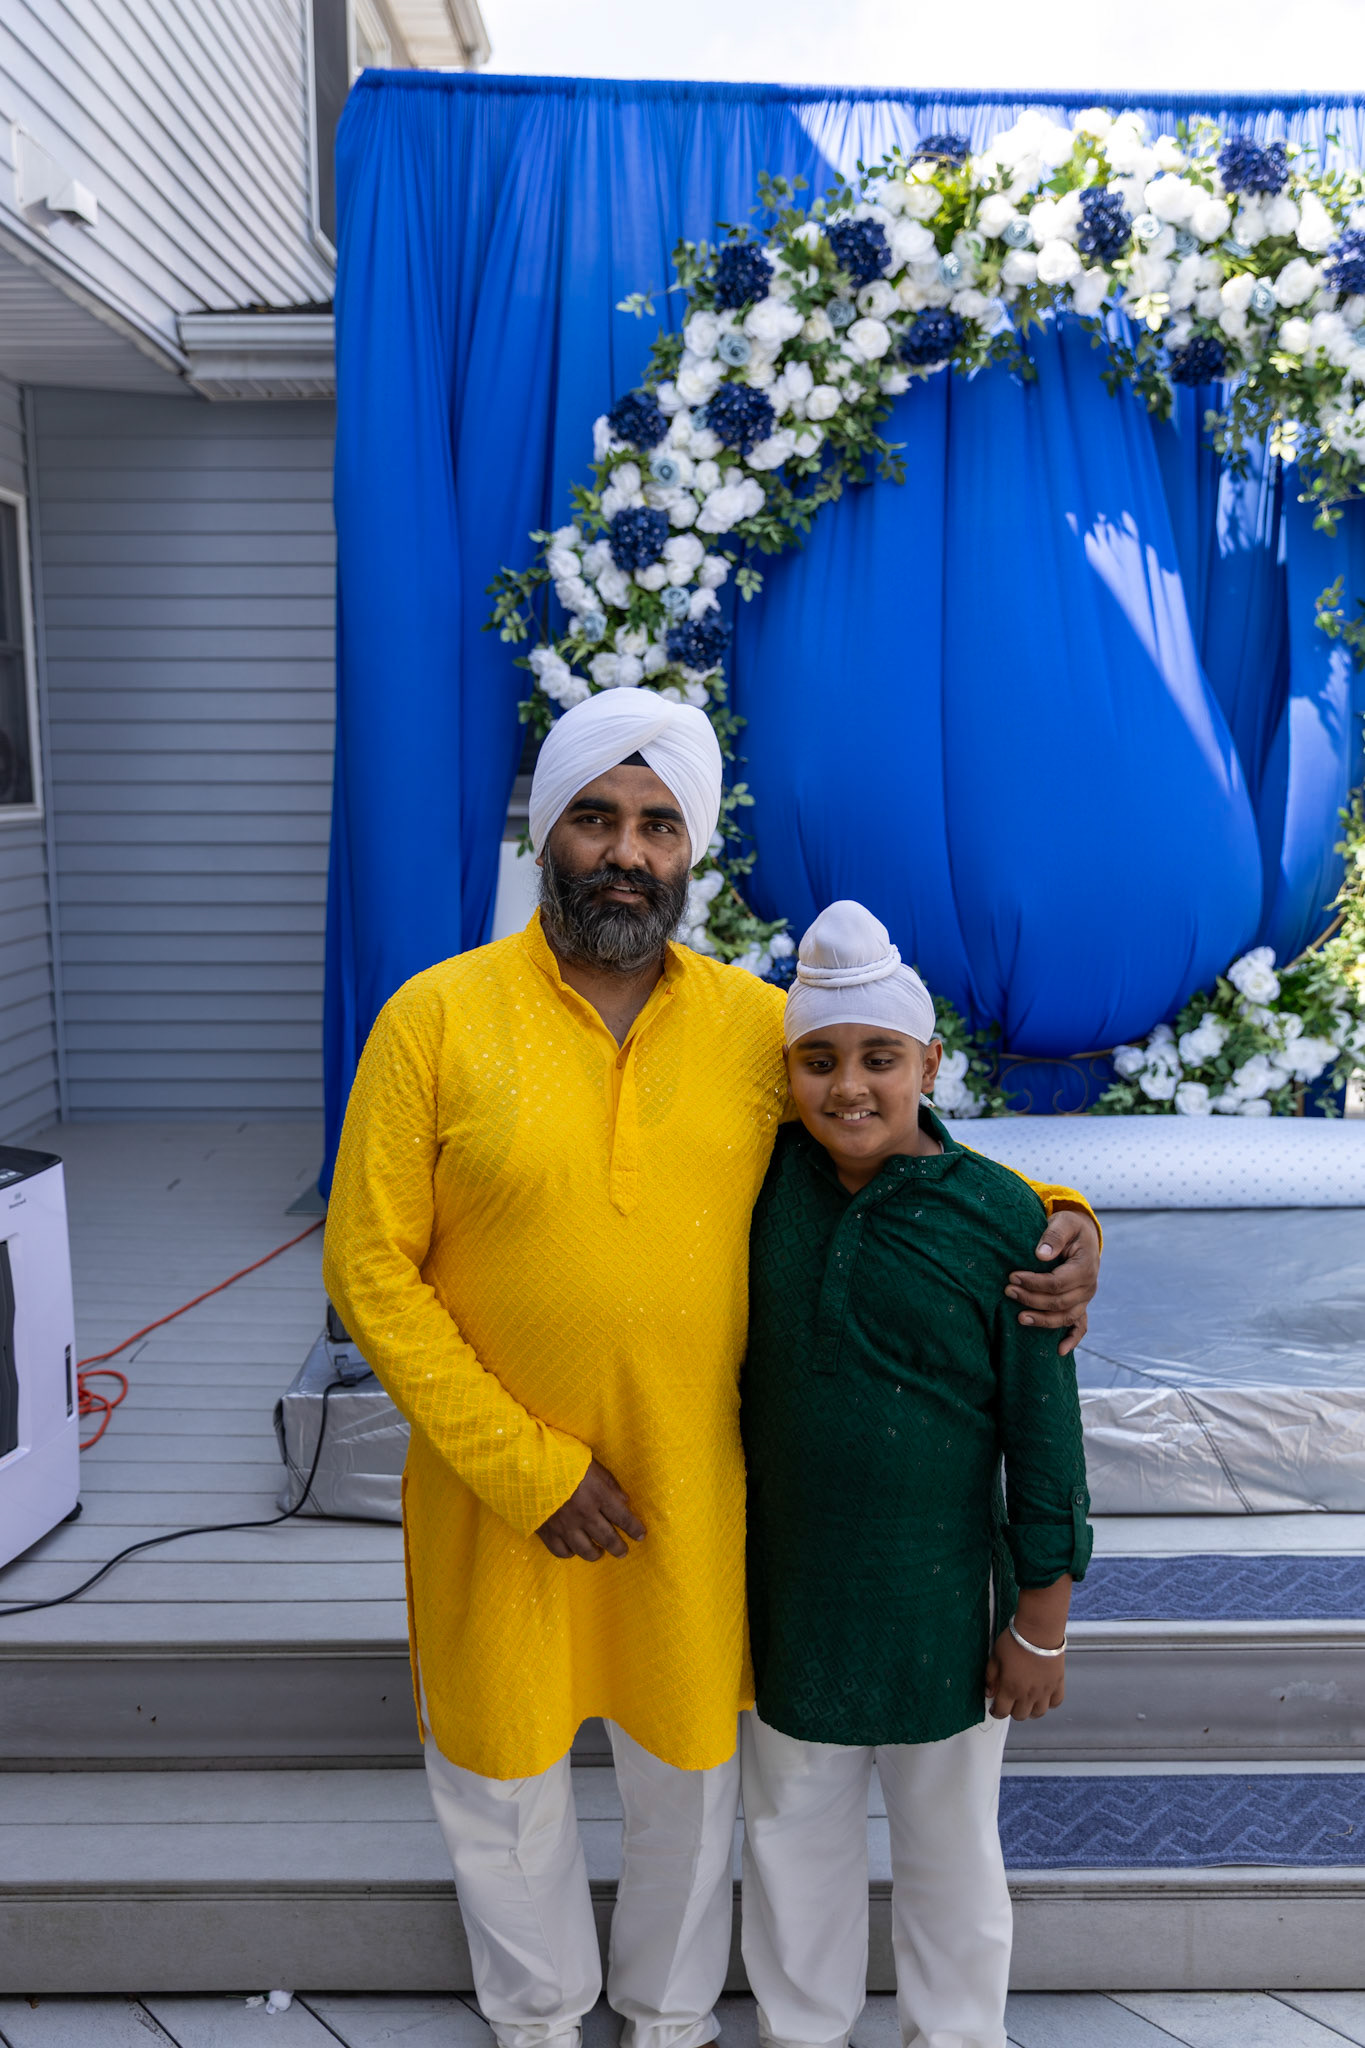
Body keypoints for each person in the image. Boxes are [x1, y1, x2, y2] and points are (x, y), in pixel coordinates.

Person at [322, 690, 1100, 2048]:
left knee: (687, 1773)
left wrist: (1063, 1214)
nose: (626, 852)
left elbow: (888, 1134)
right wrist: (526, 1467)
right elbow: (367, 1269)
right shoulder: (432, 1021)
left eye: (657, 825)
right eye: (596, 819)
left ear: (689, 852)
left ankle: (670, 2019)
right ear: (548, 835)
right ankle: (538, 2020)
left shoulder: (752, 1025)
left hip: (690, 1485)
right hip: (496, 1490)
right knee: (500, 1776)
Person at [740, 900, 1093, 2048]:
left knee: (950, 1849)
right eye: (820, 1060)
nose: (849, 1086)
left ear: (930, 1064)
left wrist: (1041, 1620)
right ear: (787, 1073)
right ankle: (802, 2030)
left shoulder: (1002, 1218)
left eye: (880, 1057)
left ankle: (956, 2033)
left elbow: (1046, 1439)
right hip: (792, 1599)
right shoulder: (757, 1191)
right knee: (791, 1834)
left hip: (946, 1605)